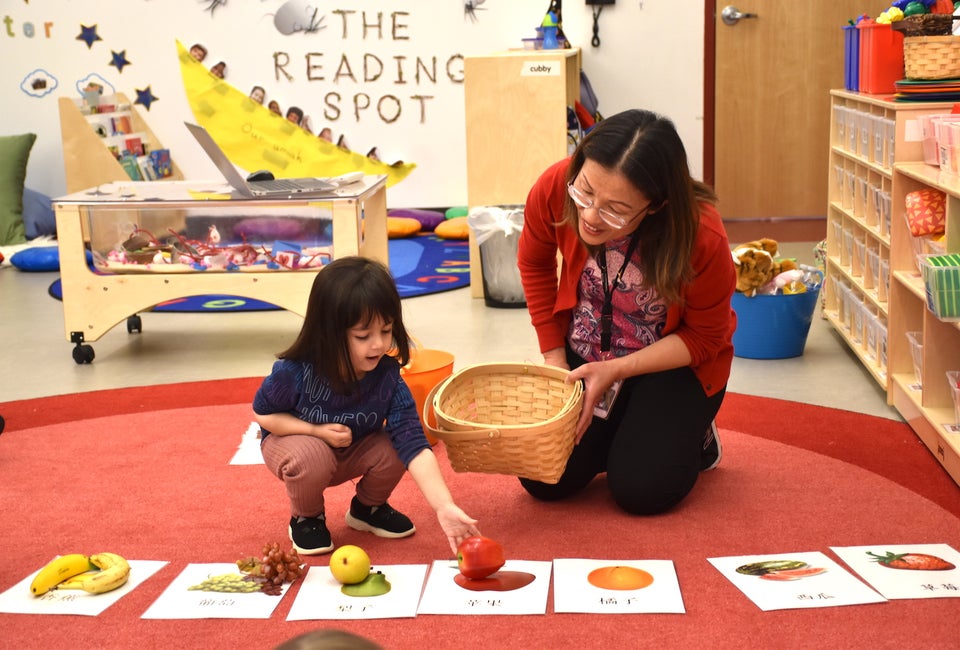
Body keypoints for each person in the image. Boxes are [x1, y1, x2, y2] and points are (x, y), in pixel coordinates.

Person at [516, 108, 736, 516]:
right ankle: (626, 431)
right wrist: (554, 359)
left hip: (670, 363)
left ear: (656, 205)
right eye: (585, 193)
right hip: (588, 351)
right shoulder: (556, 183)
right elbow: (534, 263)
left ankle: (696, 435)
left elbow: (705, 338)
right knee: (544, 478)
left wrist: (616, 371)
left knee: (642, 491)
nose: (590, 216)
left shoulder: (700, 232)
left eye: (616, 210)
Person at [253, 256, 480, 556]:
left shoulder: (387, 376)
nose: (379, 344)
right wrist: (315, 431)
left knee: (397, 448)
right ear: (329, 334)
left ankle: (367, 509)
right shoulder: (296, 370)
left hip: (351, 449)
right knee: (312, 455)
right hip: (295, 446)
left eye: (386, 331)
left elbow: (414, 442)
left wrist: (445, 506)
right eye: (363, 336)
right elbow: (263, 412)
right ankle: (306, 517)